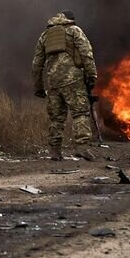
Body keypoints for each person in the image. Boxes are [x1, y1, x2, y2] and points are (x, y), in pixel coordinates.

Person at [31, 11, 98, 162]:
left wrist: (39, 87)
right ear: (70, 20)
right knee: (80, 113)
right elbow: (87, 54)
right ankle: (81, 147)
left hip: (53, 82)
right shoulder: (74, 31)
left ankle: (55, 151)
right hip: (73, 80)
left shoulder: (45, 35)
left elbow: (36, 64)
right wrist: (91, 75)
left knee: (56, 118)